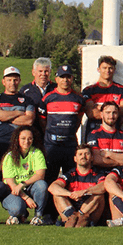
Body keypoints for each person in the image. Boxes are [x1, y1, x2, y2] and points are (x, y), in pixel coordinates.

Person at [38, 65, 84, 202]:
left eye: (68, 77)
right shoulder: (48, 98)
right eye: (62, 77)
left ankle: (69, 210)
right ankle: (47, 214)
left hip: (70, 146)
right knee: (50, 178)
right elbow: (42, 122)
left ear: (72, 79)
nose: (65, 80)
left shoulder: (78, 99)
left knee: (70, 179)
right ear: (56, 79)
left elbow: (77, 121)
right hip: (52, 146)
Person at [48, 145, 106, 228]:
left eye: (87, 154)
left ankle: (80, 217)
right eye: (80, 154)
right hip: (72, 208)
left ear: (92, 158)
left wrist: (84, 192)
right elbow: (52, 187)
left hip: (88, 212)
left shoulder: (97, 174)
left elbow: (103, 186)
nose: (83, 156)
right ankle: (72, 217)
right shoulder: (70, 174)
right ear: (75, 159)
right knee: (57, 194)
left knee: (99, 195)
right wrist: (70, 194)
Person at [0, 126, 48, 225]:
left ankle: (38, 216)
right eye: (23, 138)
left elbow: (40, 175)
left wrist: (22, 184)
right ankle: (17, 214)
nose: (27, 141)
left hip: (28, 187)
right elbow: (12, 184)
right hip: (13, 191)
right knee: (17, 208)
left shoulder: (37, 153)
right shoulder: (10, 156)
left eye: (30, 138)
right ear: (17, 139)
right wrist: (26, 198)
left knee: (41, 185)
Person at [0, 66, 35, 160]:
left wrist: (5, 117)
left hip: (20, 144)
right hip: (0, 142)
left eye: (15, 80)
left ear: (19, 81)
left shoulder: (27, 100)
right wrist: (19, 113)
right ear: (3, 82)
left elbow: (29, 120)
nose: (12, 83)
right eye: (9, 80)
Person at [81, 55, 123, 140]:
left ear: (114, 70)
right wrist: (114, 110)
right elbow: (91, 113)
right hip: (94, 134)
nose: (107, 71)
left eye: (110, 68)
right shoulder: (88, 90)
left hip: (116, 134)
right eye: (104, 68)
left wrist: (99, 107)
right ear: (98, 69)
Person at [87, 101, 123, 167]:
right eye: (108, 113)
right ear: (101, 114)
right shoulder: (93, 135)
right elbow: (96, 160)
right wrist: (118, 162)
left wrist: (110, 154)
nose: (111, 116)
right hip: (100, 174)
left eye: (114, 113)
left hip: (121, 174)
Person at [20, 57, 56, 134]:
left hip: (53, 132)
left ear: (50, 72)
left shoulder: (56, 88)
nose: (43, 74)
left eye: (46, 71)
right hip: (32, 132)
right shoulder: (25, 90)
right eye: (40, 71)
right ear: (33, 72)